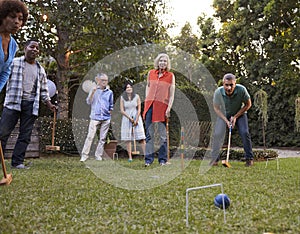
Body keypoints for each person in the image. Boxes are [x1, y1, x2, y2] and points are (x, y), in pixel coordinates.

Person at [0, 38, 56, 169]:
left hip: (31, 105)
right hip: (12, 103)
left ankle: (17, 162)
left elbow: (44, 90)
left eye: (37, 48)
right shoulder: (14, 63)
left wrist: (49, 104)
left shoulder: (40, 70)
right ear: (25, 48)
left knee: (25, 135)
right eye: (32, 47)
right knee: (2, 133)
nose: (34, 50)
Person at [211, 73, 254, 167]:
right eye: (226, 85)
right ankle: (214, 159)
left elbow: (248, 105)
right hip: (224, 114)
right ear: (223, 84)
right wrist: (226, 120)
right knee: (217, 133)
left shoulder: (242, 90)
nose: (229, 88)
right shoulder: (218, 92)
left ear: (235, 84)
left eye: (231, 85)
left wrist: (235, 117)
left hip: (240, 114)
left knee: (244, 132)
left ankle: (249, 158)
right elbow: (216, 108)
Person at [142, 53, 175, 167]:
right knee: (149, 134)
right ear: (157, 62)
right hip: (150, 105)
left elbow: (171, 95)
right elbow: (148, 86)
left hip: (162, 107)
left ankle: (162, 160)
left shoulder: (170, 76)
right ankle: (148, 160)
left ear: (167, 63)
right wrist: (147, 98)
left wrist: (169, 108)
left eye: (165, 61)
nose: (163, 63)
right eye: (161, 60)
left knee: (162, 135)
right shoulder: (151, 73)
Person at [80, 73, 114, 162]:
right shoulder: (93, 90)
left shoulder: (110, 92)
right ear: (98, 80)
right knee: (90, 136)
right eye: (102, 80)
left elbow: (111, 104)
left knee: (102, 138)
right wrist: (93, 92)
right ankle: (84, 155)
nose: (104, 82)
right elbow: (88, 102)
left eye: (106, 80)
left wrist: (110, 111)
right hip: (95, 116)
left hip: (106, 117)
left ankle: (98, 155)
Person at [0, 0, 28, 92]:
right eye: (12, 17)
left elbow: (5, 71)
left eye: (20, 19)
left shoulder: (13, 45)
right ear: (2, 17)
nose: (16, 22)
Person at [120, 81, 145, 162]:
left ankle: (146, 155)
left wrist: (136, 119)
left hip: (136, 117)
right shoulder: (122, 98)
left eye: (130, 87)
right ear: (125, 89)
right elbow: (122, 110)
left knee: (141, 138)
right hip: (126, 118)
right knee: (128, 139)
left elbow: (139, 109)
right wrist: (130, 119)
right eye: (127, 87)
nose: (129, 89)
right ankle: (130, 157)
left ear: (132, 88)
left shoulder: (137, 96)